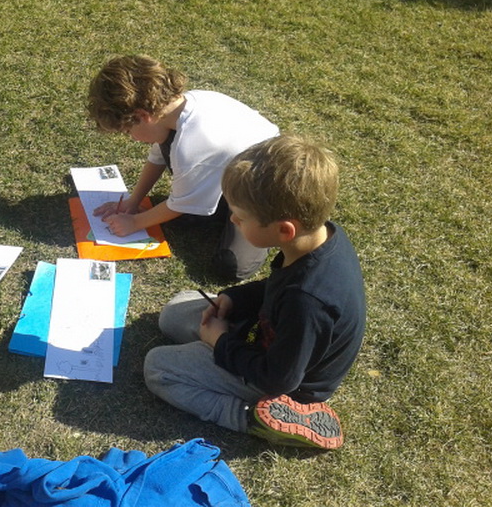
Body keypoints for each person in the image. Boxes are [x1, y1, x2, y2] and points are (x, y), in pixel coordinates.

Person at [143, 135, 366, 449]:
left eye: (241, 217)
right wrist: (234, 299)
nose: (232, 219)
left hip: (287, 385)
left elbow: (277, 377)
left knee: (158, 367)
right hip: (274, 338)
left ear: (284, 229)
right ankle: (222, 345)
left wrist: (220, 342)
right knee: (173, 313)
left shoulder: (308, 301)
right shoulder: (319, 238)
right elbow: (276, 287)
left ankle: (253, 417)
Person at [87, 55, 279, 280]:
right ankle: (217, 203)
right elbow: (158, 157)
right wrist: (133, 201)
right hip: (232, 170)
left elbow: (179, 204)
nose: (133, 138)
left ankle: (266, 224)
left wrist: (135, 222)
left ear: (143, 116)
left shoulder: (193, 144)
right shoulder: (181, 107)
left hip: (264, 191)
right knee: (189, 214)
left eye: (129, 131)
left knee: (230, 267)